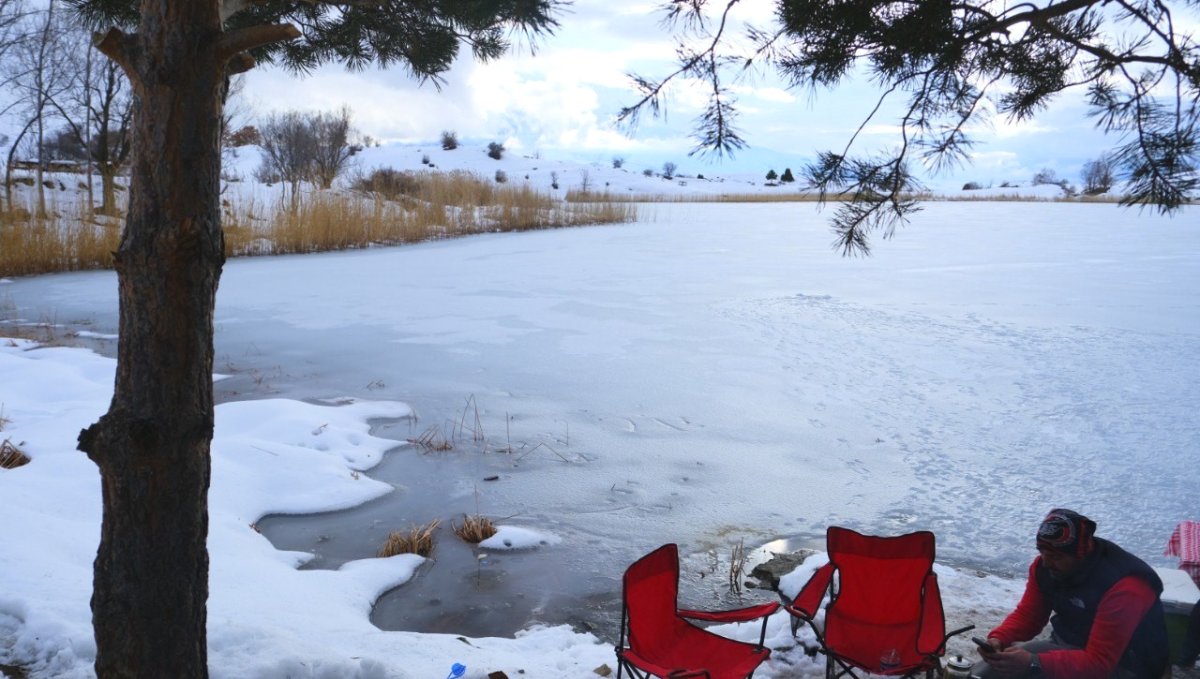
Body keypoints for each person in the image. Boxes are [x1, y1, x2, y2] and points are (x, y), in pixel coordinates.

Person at [971, 508, 1169, 679]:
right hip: (1070, 645)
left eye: (1056, 556)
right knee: (1001, 664)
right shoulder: (1045, 568)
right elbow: (1029, 617)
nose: (1046, 562)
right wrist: (999, 638)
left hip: (1127, 667)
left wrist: (1033, 663)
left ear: (1080, 554)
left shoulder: (1125, 587)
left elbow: (1099, 664)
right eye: (1042, 552)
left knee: (1026, 659)